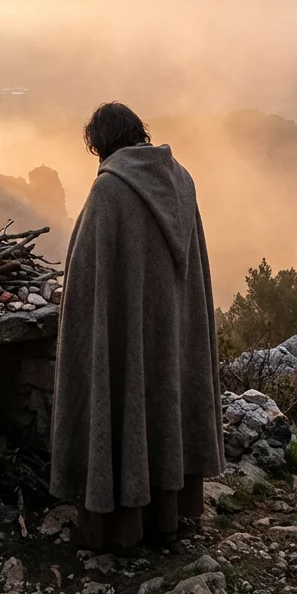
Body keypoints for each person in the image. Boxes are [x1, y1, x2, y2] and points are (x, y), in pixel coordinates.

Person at [49, 102, 224, 550]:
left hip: (129, 331)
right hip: (172, 330)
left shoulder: (110, 190)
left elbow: (86, 279)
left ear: (101, 143)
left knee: (124, 406)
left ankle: (120, 528)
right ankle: (168, 518)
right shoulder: (182, 181)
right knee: (164, 408)